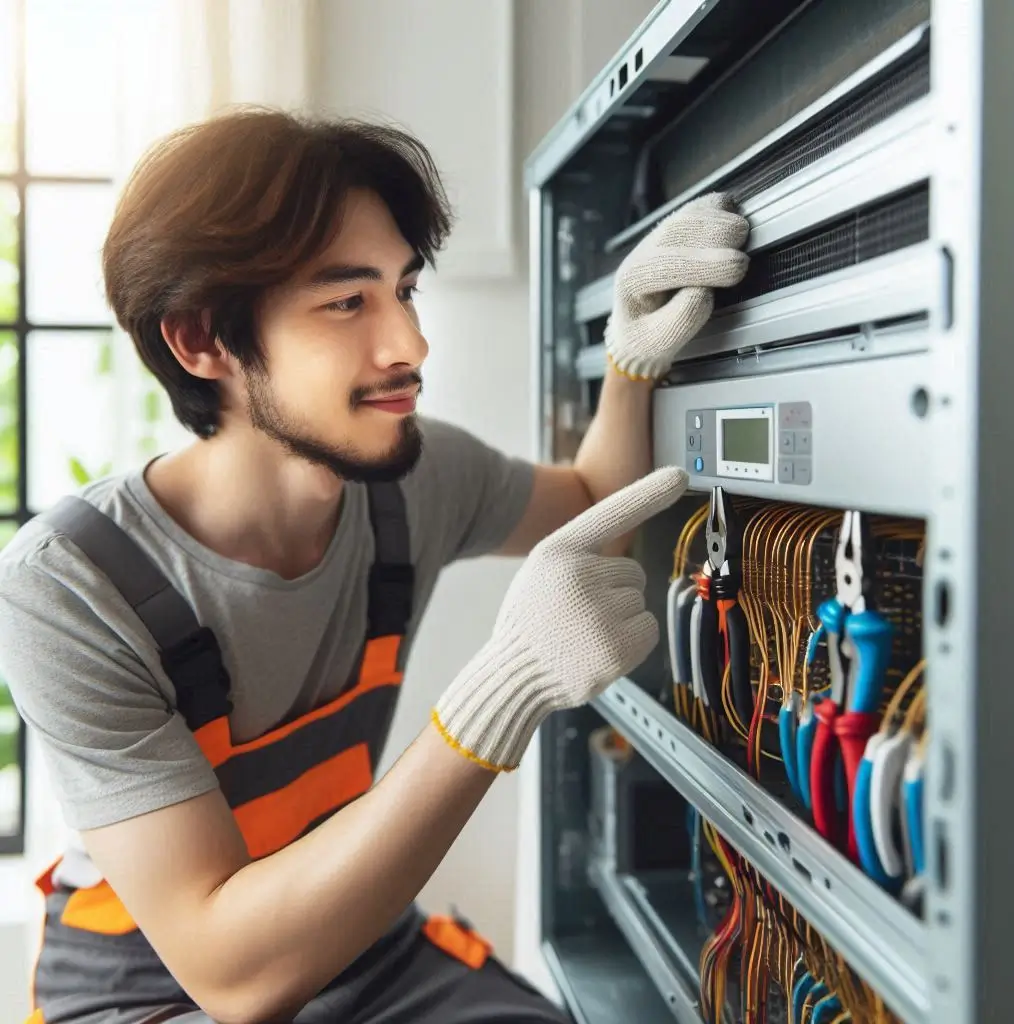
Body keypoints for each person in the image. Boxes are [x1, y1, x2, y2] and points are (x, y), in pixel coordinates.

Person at [0, 108, 748, 1024]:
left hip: (362, 946)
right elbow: (229, 975)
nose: (409, 346)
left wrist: (631, 358)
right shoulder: (68, 583)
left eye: (405, 290)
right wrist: (500, 689)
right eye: (347, 302)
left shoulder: (413, 476)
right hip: (157, 984)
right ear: (200, 342)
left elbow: (595, 502)